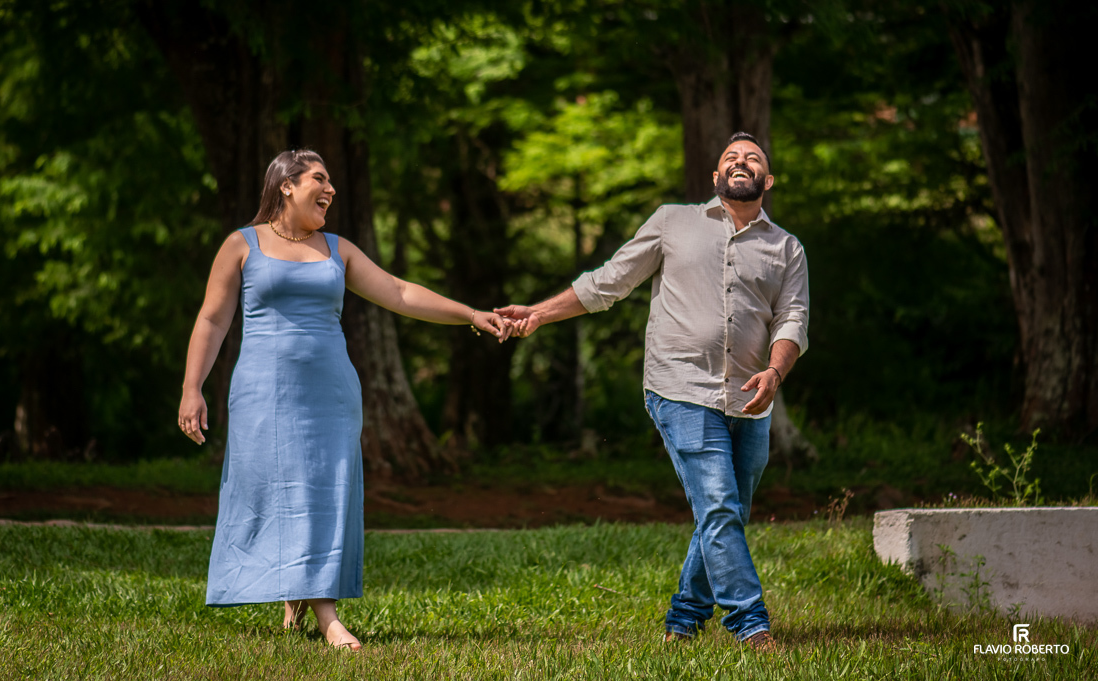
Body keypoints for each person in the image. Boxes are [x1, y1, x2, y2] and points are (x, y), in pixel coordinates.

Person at [178, 149, 510, 650]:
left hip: (331, 394)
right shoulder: (242, 244)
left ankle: (314, 606)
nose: (330, 189)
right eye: (319, 178)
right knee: (279, 491)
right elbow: (212, 319)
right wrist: (192, 388)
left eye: (331, 181)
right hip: (264, 394)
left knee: (322, 494)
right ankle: (321, 613)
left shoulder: (338, 250)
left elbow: (399, 292)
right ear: (286, 185)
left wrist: (469, 314)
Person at [497, 132, 808, 652]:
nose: (741, 161)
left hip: (751, 399)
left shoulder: (786, 248)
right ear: (715, 176)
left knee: (726, 512)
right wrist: (538, 313)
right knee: (719, 505)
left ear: (768, 180)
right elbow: (608, 282)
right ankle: (752, 625)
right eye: (731, 157)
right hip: (680, 388)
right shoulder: (672, 222)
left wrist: (775, 373)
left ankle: (683, 620)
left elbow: (793, 319)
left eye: (753, 158)